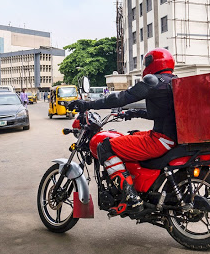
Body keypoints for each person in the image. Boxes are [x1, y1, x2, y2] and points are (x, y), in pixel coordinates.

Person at [68, 48, 177, 216]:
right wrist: (135, 113)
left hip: (161, 140)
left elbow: (121, 97)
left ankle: (131, 196)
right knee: (131, 135)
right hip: (170, 137)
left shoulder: (153, 80)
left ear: (151, 63)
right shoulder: (173, 81)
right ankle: (136, 184)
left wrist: (87, 104)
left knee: (105, 147)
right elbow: (164, 112)